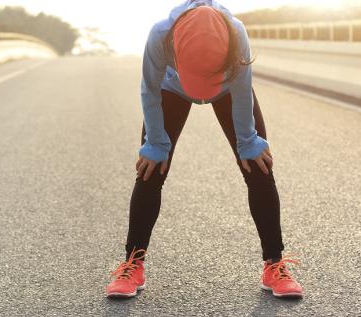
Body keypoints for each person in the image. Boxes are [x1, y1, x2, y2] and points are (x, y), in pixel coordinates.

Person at [106, 0, 303, 299]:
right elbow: (149, 88)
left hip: (227, 87)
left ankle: (274, 264)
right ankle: (133, 264)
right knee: (151, 167)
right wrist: (156, 143)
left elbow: (241, 89)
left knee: (258, 164)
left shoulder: (236, 33)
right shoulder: (160, 35)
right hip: (173, 87)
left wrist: (248, 141)